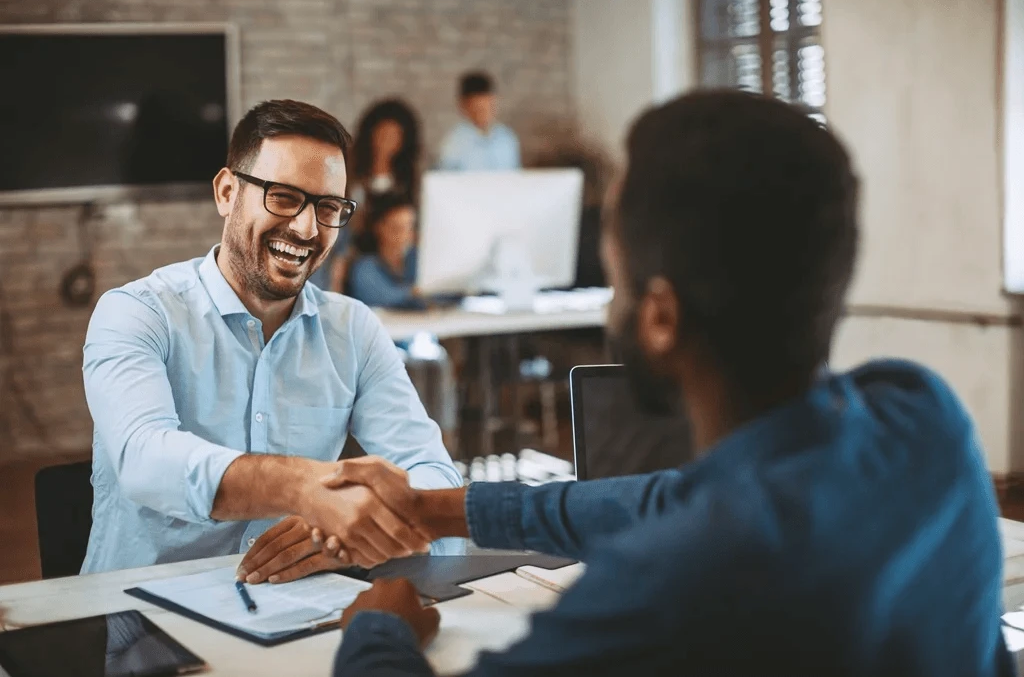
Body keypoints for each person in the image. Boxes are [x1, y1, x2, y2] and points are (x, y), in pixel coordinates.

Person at [243, 90, 1010, 674]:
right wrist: (434, 508)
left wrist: (378, 632)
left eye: (615, 282)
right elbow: (663, 499)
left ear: (662, 316)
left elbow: (681, 522)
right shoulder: (920, 414)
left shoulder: (662, 592)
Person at [81, 99, 461, 575]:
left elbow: (433, 476)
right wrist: (303, 487)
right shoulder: (137, 312)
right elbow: (145, 459)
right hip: (145, 619)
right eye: (283, 196)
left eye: (328, 207)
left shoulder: (353, 330)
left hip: (298, 609)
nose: (306, 227)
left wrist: (344, 538)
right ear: (225, 192)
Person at [308, 98, 422, 293]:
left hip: (393, 251)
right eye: (382, 134)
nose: (387, 142)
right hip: (356, 249)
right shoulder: (350, 171)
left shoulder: (407, 177)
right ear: (370, 133)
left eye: (395, 136)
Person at [347, 194, 423, 311]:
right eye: (397, 228)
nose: (405, 236)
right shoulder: (365, 268)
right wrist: (415, 292)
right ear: (379, 228)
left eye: (409, 228)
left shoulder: (416, 260)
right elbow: (378, 297)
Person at [437, 71, 520, 171]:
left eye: (489, 106)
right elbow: (445, 180)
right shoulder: (454, 142)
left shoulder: (507, 138)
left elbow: (516, 176)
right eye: (479, 109)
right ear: (464, 106)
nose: (485, 114)